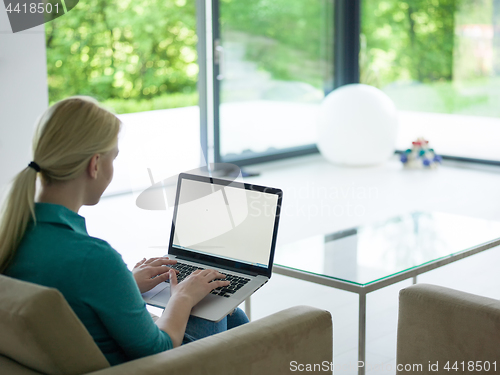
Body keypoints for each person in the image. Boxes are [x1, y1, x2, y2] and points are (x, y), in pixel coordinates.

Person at [0, 96, 248, 365]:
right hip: (147, 368)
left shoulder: (12, 234)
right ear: (94, 165)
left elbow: (74, 293)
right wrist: (184, 296)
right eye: (113, 157)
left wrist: (125, 284)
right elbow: (160, 349)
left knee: (230, 314)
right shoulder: (93, 258)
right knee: (218, 304)